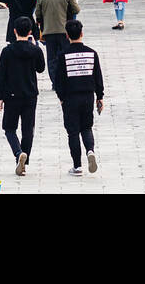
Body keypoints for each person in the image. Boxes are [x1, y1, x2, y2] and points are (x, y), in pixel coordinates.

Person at [52, 19, 103, 176]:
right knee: (86, 128)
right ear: (82, 33)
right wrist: (99, 97)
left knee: (73, 132)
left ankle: (77, 166)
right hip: (88, 96)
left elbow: (58, 79)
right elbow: (98, 77)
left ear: (67, 35)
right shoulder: (91, 53)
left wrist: (61, 97)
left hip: (70, 98)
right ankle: (90, 151)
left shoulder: (63, 55)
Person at [0, 16, 45, 176]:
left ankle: (18, 154)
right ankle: (25, 160)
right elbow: (41, 69)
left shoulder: (7, 51)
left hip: (12, 94)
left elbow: (1, 75)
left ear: (14, 31)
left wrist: (0, 97)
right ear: (30, 31)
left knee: (9, 128)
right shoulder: (35, 50)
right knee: (28, 128)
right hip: (30, 94)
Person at [35, 0, 81, 95]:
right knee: (66, 57)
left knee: (52, 59)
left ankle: (55, 82)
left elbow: (37, 15)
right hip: (64, 31)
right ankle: (67, 81)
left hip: (48, 32)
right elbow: (76, 9)